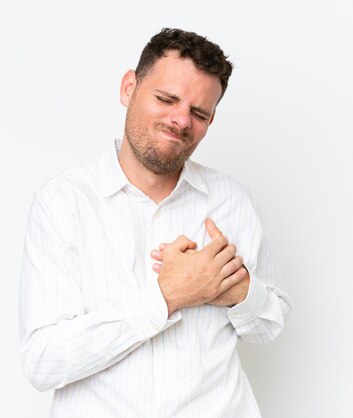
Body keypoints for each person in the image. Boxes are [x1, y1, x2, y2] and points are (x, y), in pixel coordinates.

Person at [19, 28, 292, 417]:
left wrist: (237, 287)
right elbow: (43, 361)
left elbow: (269, 324)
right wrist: (169, 296)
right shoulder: (63, 204)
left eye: (199, 113)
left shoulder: (234, 201)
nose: (181, 121)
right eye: (166, 99)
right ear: (129, 87)